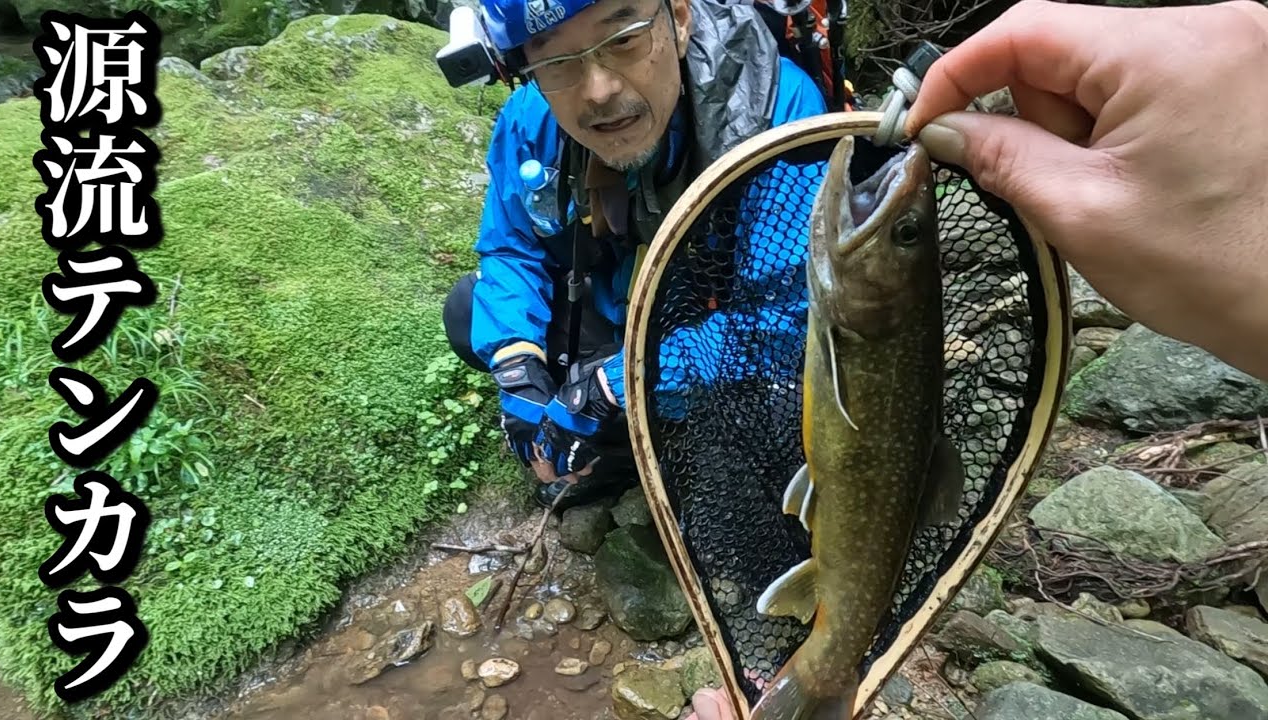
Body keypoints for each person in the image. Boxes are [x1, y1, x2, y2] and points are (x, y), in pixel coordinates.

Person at [686, 0, 1268, 717]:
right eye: (911, 236)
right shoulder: (856, 318)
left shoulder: (853, 312)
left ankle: (821, 674)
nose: (903, 203)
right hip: (858, 476)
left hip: (851, 484)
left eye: (906, 236)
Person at [441, 0, 830, 509]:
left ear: (681, 21)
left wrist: (619, 383)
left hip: (717, 333)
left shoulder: (776, 114)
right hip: (616, 309)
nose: (599, 90)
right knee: (469, 310)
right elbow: (513, 247)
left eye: (623, 39)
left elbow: (789, 317)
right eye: (557, 62)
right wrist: (518, 364)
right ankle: (615, 437)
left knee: (775, 421)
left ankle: (637, 435)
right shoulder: (529, 120)